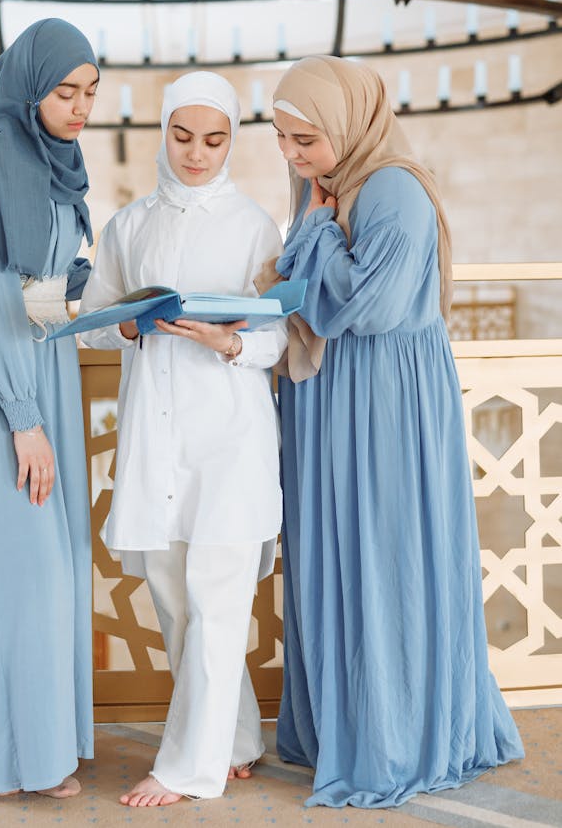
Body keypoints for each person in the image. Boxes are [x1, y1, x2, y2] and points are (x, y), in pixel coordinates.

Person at [262, 55, 524, 808]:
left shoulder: (396, 191)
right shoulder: (332, 186)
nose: (292, 156)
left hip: (383, 404)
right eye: (283, 139)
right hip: (331, 397)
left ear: (348, 124)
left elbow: (366, 308)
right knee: (336, 554)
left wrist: (312, 229)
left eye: (304, 140)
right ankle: (342, 725)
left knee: (384, 554)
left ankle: (395, 735)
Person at [77, 70, 286, 807]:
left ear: (232, 140)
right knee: (176, 601)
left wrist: (228, 342)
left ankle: (186, 769)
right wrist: (130, 322)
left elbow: (280, 335)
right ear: (163, 132)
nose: (197, 153)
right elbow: (96, 319)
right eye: (183, 136)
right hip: (155, 434)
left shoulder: (258, 226)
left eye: (215, 138)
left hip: (229, 431)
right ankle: (234, 740)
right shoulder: (129, 225)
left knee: (221, 596)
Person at [0, 17, 99, 798]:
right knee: (21, 570)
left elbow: (55, 273)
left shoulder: (59, 163)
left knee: (51, 563)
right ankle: (6, 756)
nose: (80, 106)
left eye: (90, 91)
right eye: (65, 90)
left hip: (47, 365)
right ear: (29, 86)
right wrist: (21, 415)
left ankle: (46, 744)